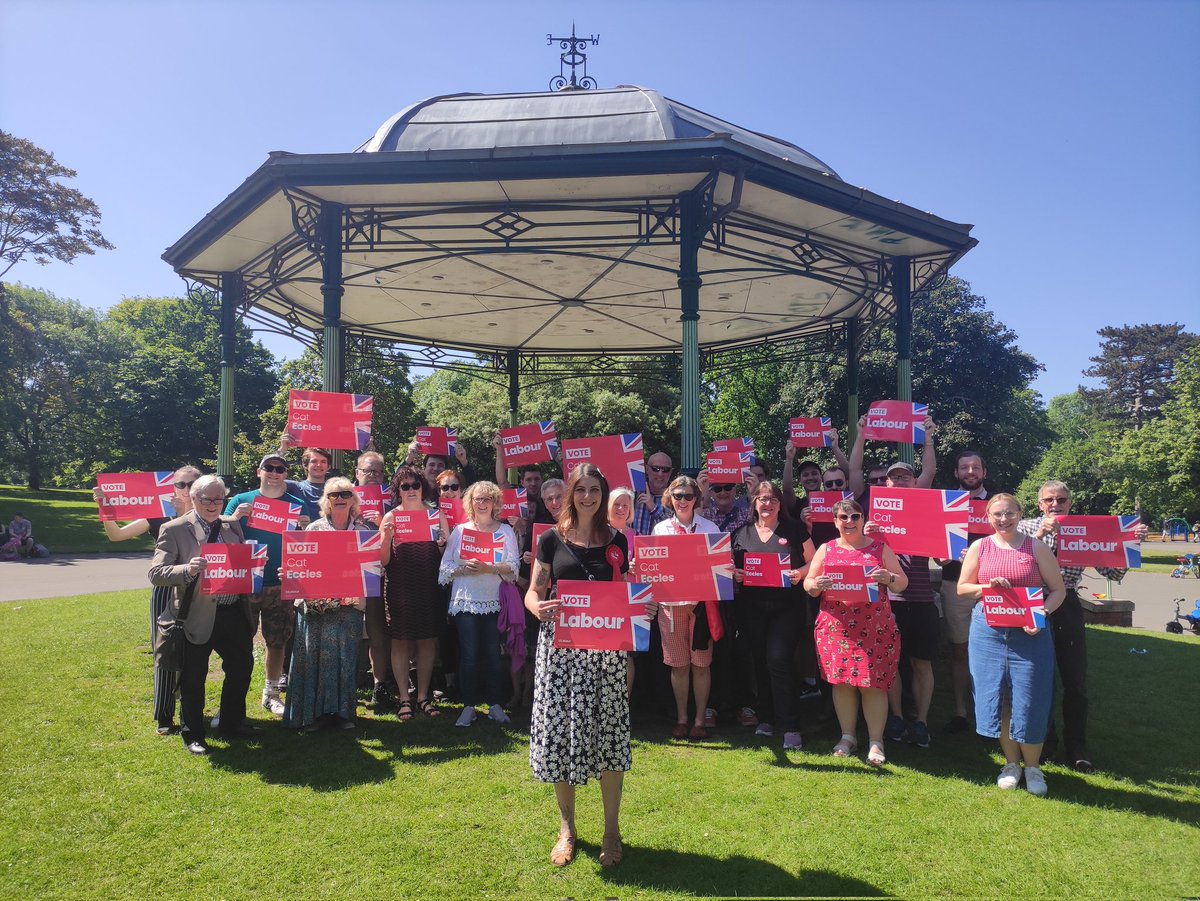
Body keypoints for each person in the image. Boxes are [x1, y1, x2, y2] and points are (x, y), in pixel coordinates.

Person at [525, 463, 656, 869]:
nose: (587, 497)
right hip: (561, 653)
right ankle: (567, 828)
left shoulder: (619, 541)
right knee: (562, 737)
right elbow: (533, 591)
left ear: (603, 494)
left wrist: (643, 606)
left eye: (594, 490)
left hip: (606, 656)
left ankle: (611, 830)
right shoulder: (550, 540)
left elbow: (630, 593)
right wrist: (538, 608)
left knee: (609, 738)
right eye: (580, 489)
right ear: (570, 494)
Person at [1016, 480, 1147, 772]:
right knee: (1038, 678)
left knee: (1074, 680)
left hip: (1068, 604)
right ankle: (1043, 742)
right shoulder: (1024, 529)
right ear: (1040, 504)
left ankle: (1076, 747)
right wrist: (1040, 535)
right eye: (1049, 499)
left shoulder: (1084, 529)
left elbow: (1112, 570)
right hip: (1033, 600)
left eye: (1061, 499)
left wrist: (1131, 543)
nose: (1055, 504)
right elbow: (1014, 564)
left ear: (1070, 503)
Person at [957, 494, 1065, 795]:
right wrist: (987, 585)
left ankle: (1033, 768)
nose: (1003, 520)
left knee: (1030, 698)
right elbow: (962, 588)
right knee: (1000, 696)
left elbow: (1057, 591)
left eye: (1009, 513)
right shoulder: (980, 546)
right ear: (988, 516)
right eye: (997, 514)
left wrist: (1042, 612)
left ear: (1019, 514)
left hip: (1030, 633)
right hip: (988, 633)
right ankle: (1011, 764)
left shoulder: (1036, 547)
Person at [148, 475, 256, 756]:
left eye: (218, 499)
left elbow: (237, 565)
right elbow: (156, 573)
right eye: (207, 499)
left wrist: (253, 563)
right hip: (195, 614)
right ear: (194, 499)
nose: (213, 504)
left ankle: (231, 722)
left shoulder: (233, 526)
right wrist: (187, 569)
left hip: (232, 611)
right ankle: (192, 733)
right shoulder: (174, 529)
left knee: (242, 667)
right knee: (194, 677)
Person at [94, 465, 201, 734]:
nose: (185, 490)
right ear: (172, 487)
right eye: (180, 484)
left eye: (191, 484)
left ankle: (192, 711)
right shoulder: (158, 514)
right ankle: (165, 715)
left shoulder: (210, 513)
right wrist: (105, 507)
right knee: (165, 651)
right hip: (167, 587)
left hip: (201, 589)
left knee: (197, 651)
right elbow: (116, 535)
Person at [803, 499, 907, 767]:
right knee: (843, 683)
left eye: (854, 516)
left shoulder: (879, 548)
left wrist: (889, 578)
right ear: (835, 521)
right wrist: (817, 584)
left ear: (863, 519)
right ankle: (848, 737)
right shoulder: (826, 549)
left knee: (873, 685)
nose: (849, 522)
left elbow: (901, 583)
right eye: (843, 517)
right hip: (836, 629)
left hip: (874, 628)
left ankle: (876, 741)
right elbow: (809, 584)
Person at [731, 480, 815, 750]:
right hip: (752, 608)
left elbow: (815, 560)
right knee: (760, 661)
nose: (767, 504)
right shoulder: (741, 533)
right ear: (754, 502)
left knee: (778, 660)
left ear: (780, 504)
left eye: (773, 500)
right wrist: (736, 574)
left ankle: (790, 724)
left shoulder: (794, 529)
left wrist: (800, 574)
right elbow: (729, 566)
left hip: (786, 607)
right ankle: (766, 719)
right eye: (762, 499)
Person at [225, 453, 310, 716]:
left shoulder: (296, 504)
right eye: (269, 468)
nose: (274, 472)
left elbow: (305, 546)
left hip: (280, 583)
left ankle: (271, 693)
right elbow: (218, 531)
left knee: (277, 642)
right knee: (240, 642)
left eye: (280, 468)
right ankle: (234, 697)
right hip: (246, 582)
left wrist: (304, 528)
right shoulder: (241, 500)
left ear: (286, 474)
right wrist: (234, 517)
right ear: (258, 471)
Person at [284, 477, 372, 731]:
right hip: (317, 606)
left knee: (345, 659)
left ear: (354, 499)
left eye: (345, 494)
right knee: (314, 659)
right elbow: (302, 564)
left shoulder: (363, 532)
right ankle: (312, 715)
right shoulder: (314, 528)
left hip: (350, 605)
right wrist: (290, 573)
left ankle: (343, 714)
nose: (340, 498)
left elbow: (370, 569)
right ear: (327, 500)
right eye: (334, 495)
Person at [439, 481, 518, 726]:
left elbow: (514, 568)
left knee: (493, 656)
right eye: (477, 499)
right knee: (469, 656)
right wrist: (465, 569)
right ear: (470, 503)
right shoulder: (460, 531)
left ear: (495, 503)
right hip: (466, 602)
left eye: (487, 499)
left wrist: (489, 568)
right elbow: (444, 569)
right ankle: (469, 706)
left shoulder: (505, 531)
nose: (482, 503)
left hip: (494, 602)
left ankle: (494, 704)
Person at [653, 475, 720, 740]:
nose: (683, 501)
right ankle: (682, 718)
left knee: (701, 665)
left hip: (701, 605)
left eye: (688, 496)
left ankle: (699, 719)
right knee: (678, 665)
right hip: (670, 605)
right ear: (670, 498)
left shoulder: (709, 527)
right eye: (678, 496)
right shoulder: (660, 530)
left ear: (696, 498)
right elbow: (655, 567)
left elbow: (718, 567)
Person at [379, 465, 448, 721]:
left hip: (429, 586)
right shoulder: (390, 518)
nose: (410, 490)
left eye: (414, 485)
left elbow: (447, 556)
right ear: (398, 491)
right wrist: (386, 539)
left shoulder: (436, 515)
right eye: (404, 486)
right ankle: (404, 698)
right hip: (400, 586)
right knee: (401, 641)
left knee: (427, 640)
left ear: (422, 488)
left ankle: (422, 697)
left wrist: (442, 543)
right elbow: (383, 561)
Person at [939, 450, 991, 734]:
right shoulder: (946, 504)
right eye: (964, 468)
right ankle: (961, 712)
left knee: (992, 651)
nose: (970, 472)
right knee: (959, 650)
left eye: (975, 467)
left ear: (984, 472)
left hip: (991, 587)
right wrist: (943, 555)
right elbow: (936, 547)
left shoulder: (997, 505)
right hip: (953, 583)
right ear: (956, 473)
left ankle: (989, 714)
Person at [354, 450, 394, 707]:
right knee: (344, 630)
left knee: (378, 633)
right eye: (367, 471)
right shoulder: (342, 496)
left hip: (378, 574)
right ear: (356, 473)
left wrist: (382, 524)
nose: (372, 475)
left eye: (377, 471)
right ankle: (343, 685)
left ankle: (380, 686)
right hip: (348, 574)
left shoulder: (391, 501)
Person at [634, 451, 674, 535]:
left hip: (660, 547)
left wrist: (653, 508)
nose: (660, 474)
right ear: (647, 469)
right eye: (655, 469)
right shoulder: (633, 492)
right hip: (632, 547)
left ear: (670, 472)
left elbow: (674, 530)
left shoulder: (676, 498)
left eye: (665, 470)